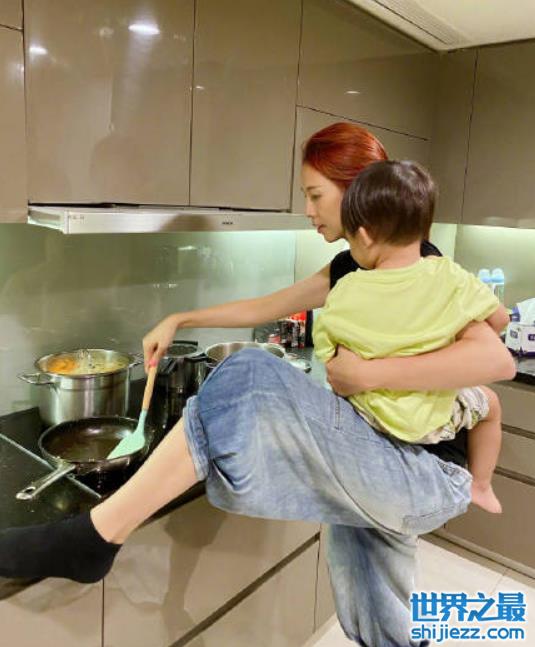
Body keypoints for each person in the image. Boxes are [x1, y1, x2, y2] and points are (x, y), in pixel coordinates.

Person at [0, 123, 515, 647]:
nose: (308, 211)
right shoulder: (350, 268)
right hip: (381, 455)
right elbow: (268, 305)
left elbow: (493, 357)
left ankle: (95, 536)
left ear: (359, 193)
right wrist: (181, 317)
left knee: (247, 375)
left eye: (315, 195)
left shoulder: (424, 267)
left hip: (422, 469)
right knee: (379, 614)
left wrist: (367, 374)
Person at [313, 159, 506, 516]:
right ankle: (481, 486)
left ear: (364, 235)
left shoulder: (348, 287)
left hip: (369, 419)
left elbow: (328, 352)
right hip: (429, 425)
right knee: (490, 406)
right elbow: (500, 319)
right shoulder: (449, 276)